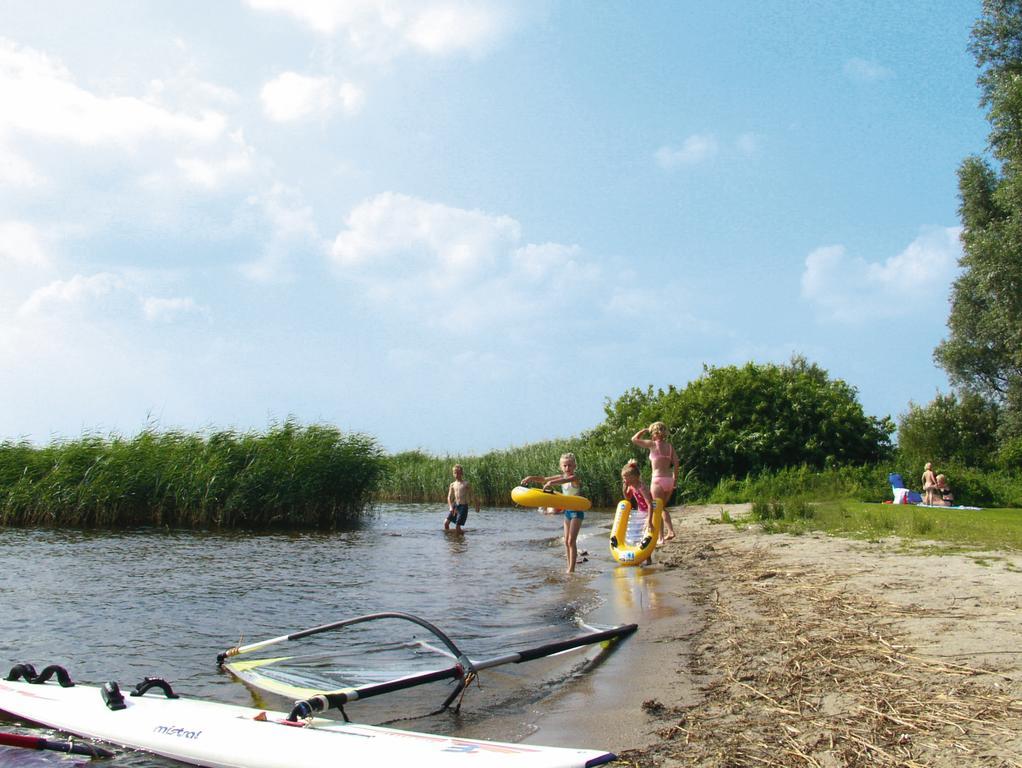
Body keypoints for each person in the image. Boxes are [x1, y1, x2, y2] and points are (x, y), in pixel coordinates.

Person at [521, 453, 585, 573]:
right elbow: (544, 479)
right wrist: (530, 478)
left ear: (574, 466)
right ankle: (569, 567)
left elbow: (565, 480)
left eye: (570, 465)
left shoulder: (575, 478)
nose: (567, 468)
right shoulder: (561, 476)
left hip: (577, 512)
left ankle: (571, 570)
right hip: (568, 512)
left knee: (571, 541)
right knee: (566, 541)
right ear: (561, 466)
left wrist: (552, 483)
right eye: (565, 465)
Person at [631, 421, 677, 542]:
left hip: (657, 480)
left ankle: (661, 537)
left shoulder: (652, 444)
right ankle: (670, 531)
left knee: (657, 509)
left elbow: (634, 439)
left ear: (655, 433)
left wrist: (643, 430)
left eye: (651, 432)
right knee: (662, 508)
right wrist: (675, 480)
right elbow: (676, 463)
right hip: (669, 480)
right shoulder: (670, 447)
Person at [621, 458, 655, 534]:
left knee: (644, 530)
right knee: (636, 530)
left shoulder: (641, 488)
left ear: (634, 477)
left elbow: (650, 504)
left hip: (648, 512)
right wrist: (624, 491)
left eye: (625, 478)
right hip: (641, 511)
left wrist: (649, 521)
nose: (623, 480)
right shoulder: (631, 486)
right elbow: (628, 498)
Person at [444, 464, 478, 533]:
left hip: (463, 507)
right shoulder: (452, 484)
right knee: (446, 523)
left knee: (457, 527)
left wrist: (477, 505)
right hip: (455, 506)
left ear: (462, 473)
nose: (457, 474)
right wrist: (450, 507)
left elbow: (472, 495)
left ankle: (461, 539)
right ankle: (450, 537)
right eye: (455, 473)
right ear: (453, 474)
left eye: (458, 473)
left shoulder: (466, 484)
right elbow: (449, 497)